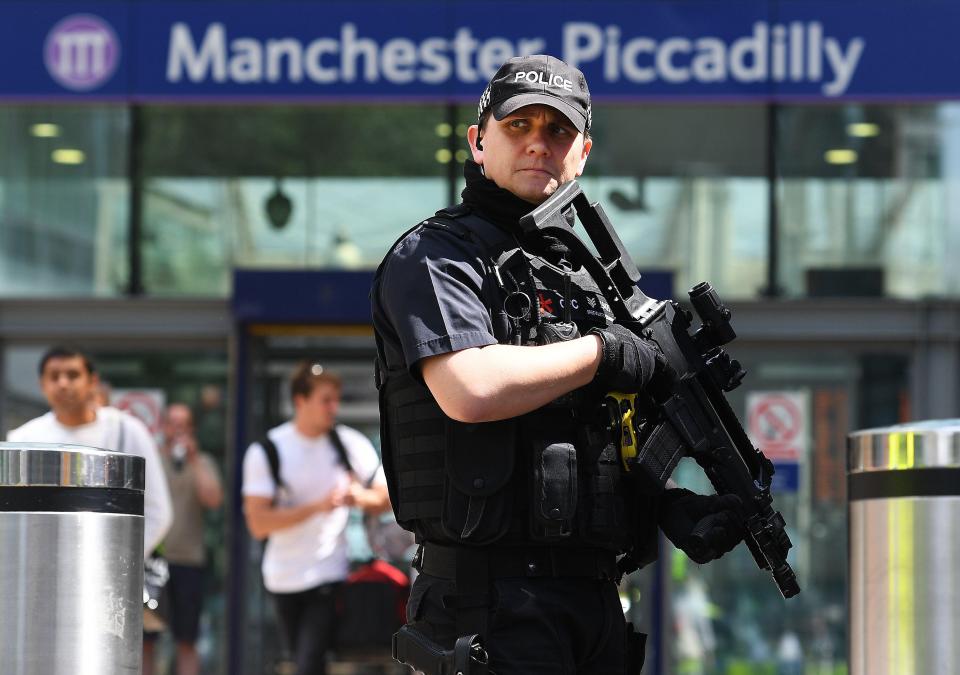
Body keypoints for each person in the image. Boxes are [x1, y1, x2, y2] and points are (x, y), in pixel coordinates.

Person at [371, 54, 746, 674]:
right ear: (479, 139)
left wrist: (665, 503)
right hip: (486, 603)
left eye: (558, 131)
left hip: (594, 603)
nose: (538, 144)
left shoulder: (593, 279)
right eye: (519, 126)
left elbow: (605, 440)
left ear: (583, 151)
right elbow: (471, 389)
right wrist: (603, 353)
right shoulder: (437, 256)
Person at [242, 362, 390, 675]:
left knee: (309, 662)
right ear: (300, 401)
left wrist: (356, 497)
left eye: (336, 399)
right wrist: (317, 507)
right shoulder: (268, 450)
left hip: (329, 574)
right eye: (325, 400)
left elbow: (387, 498)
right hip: (282, 577)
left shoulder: (349, 444)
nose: (333, 407)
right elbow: (258, 524)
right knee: (301, 659)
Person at [6, 345, 173, 557]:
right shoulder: (22, 439)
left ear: (92, 381)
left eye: (72, 375)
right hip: (40, 570)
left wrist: (119, 565)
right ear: (42, 385)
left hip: (110, 575)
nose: (63, 384)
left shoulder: (126, 430)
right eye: (54, 376)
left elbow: (157, 510)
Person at [143, 403, 224, 675]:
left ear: (192, 429)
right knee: (145, 642)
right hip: (152, 561)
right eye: (172, 423)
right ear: (163, 426)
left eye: (184, 424)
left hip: (189, 561)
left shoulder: (204, 462)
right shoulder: (151, 459)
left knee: (187, 641)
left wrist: (194, 460)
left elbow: (213, 500)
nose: (177, 429)